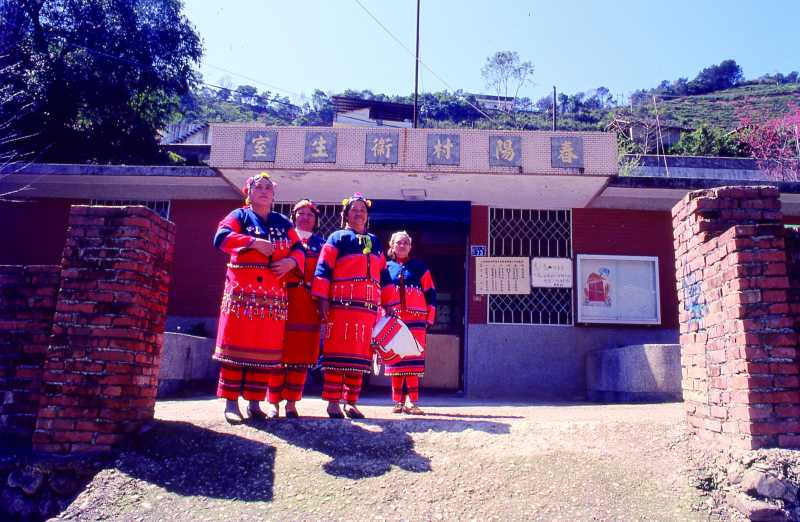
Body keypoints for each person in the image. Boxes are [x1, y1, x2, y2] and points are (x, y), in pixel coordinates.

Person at [212, 172, 305, 424]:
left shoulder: (283, 222)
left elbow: (298, 248)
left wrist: (290, 261)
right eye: (259, 187)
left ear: (274, 195)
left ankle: (254, 403)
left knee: (264, 350)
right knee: (235, 346)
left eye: (268, 188)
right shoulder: (239, 216)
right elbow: (220, 238)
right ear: (248, 192)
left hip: (272, 299)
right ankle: (231, 402)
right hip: (243, 295)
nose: (264, 191)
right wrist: (252, 242)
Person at [312, 193, 385, 419]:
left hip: (367, 309)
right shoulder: (337, 237)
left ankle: (351, 402)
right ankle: (333, 402)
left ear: (367, 216)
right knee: (337, 355)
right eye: (354, 209)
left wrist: (389, 305)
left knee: (360, 357)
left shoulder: (375, 241)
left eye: (362, 210)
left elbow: (385, 276)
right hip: (340, 307)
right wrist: (322, 298)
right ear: (346, 214)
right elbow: (323, 269)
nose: (359, 213)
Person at [268, 199, 325, 418]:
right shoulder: (284, 241)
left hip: (308, 306)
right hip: (283, 302)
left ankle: (291, 402)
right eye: (300, 213)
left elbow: (325, 274)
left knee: (300, 358)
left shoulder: (322, 245)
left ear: (316, 219)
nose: (305, 217)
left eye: (310, 214)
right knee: (277, 354)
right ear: (293, 217)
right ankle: (273, 401)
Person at [380, 231, 437, 415]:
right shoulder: (385, 268)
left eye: (405, 242)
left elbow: (431, 293)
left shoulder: (420, 268)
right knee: (396, 359)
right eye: (398, 243)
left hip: (417, 320)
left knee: (413, 360)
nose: (402, 245)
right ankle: (397, 402)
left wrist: (430, 316)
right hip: (394, 320)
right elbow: (380, 293)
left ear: (410, 247)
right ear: (392, 246)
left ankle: (412, 402)